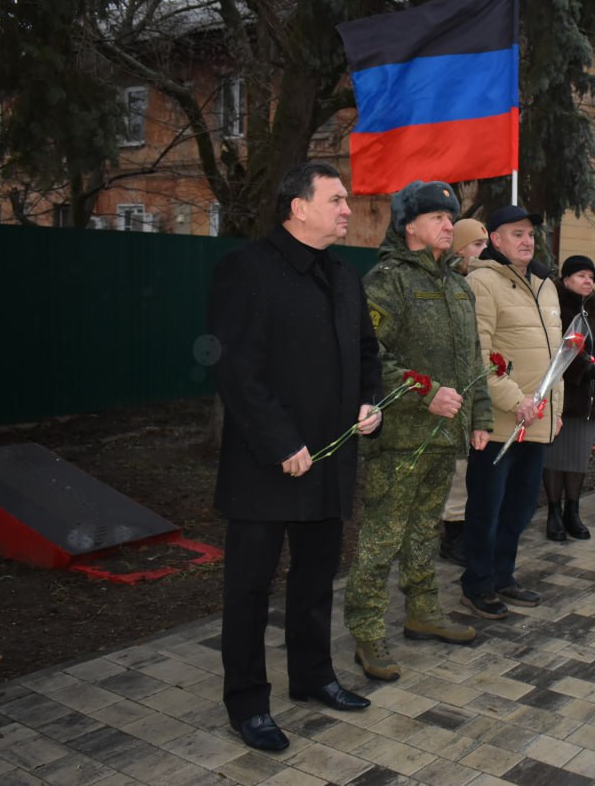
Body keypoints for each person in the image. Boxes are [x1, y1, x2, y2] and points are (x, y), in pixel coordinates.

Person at [208, 161, 383, 753]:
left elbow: (366, 354)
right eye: (335, 199)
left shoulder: (345, 275)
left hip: (330, 462)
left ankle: (312, 677)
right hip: (267, 463)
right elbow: (237, 369)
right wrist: (281, 441)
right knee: (250, 590)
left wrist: (369, 402)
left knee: (314, 580)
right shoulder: (246, 269)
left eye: (347, 200)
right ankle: (248, 703)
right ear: (297, 206)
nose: (346, 210)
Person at [344, 181, 493, 683]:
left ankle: (422, 610)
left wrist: (482, 417)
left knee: (426, 527)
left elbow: (472, 359)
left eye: (451, 218)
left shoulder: (457, 284)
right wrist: (424, 393)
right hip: (401, 435)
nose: (449, 225)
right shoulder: (387, 281)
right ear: (410, 226)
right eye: (438, 218)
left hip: (446, 435)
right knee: (382, 535)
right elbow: (370, 358)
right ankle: (366, 629)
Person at [461, 204, 563, 619]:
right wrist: (512, 399)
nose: (526, 241)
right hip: (500, 422)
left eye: (530, 234)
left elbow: (558, 356)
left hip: (537, 420)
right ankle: (477, 583)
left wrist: (556, 408)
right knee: (488, 506)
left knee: (520, 507)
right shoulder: (482, 282)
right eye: (516, 233)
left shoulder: (546, 285)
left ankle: (504, 576)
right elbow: (477, 354)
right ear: (496, 240)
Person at [543, 254, 595, 541]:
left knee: (579, 459)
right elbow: (553, 349)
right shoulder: (554, 309)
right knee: (555, 459)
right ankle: (553, 512)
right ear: (566, 279)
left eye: (591, 276)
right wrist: (583, 368)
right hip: (565, 400)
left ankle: (572, 511)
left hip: (593, 403)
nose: (587, 280)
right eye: (580, 275)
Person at [438, 216, 489, 566]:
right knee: (457, 471)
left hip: (471, 389)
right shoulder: (449, 283)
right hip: (449, 392)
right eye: (477, 245)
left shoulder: (474, 285)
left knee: (468, 467)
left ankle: (463, 529)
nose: (483, 253)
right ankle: (451, 537)